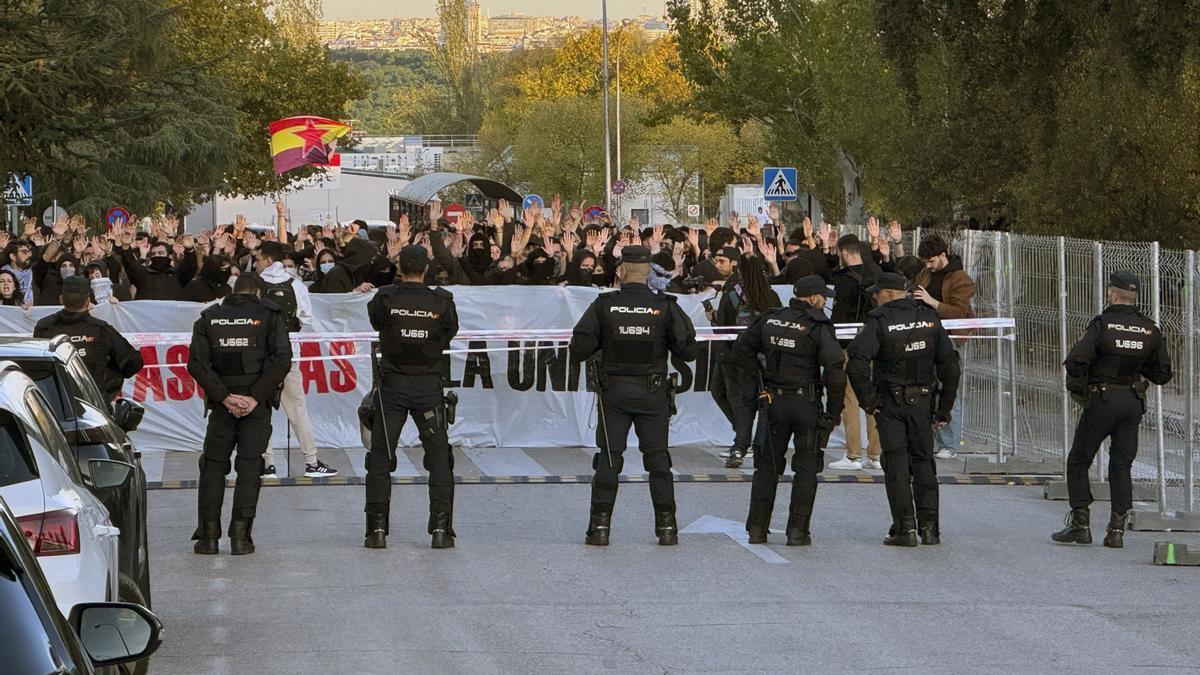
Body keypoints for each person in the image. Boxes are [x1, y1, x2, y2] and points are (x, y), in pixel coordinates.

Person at [569, 245, 698, 546]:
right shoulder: (665, 306)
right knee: (658, 461)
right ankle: (667, 528)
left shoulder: (605, 304)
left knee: (609, 459)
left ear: (621, 271)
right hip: (652, 393)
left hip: (614, 393)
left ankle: (599, 528)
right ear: (649, 272)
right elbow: (688, 350)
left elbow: (579, 348)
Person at [1052, 272, 1172, 548]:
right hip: (1132, 401)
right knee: (1121, 464)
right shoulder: (1149, 329)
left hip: (1102, 400)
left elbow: (1076, 361)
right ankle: (1116, 530)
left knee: (1079, 459)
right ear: (1135, 297)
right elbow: (1163, 374)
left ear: (1112, 294)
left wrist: (1084, 388)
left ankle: (1081, 524)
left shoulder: (1102, 325)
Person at [846, 272, 960, 546]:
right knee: (923, 462)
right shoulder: (929, 318)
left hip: (891, 402)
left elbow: (856, 362)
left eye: (877, 293)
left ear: (887, 294)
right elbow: (950, 366)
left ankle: (904, 529)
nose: (874, 297)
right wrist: (944, 408)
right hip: (922, 401)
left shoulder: (879, 320)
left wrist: (868, 401)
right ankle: (930, 529)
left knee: (896, 463)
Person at [731, 275, 845, 545]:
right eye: (823, 297)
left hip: (773, 402)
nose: (825, 301)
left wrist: (762, 380)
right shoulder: (817, 326)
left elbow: (740, 351)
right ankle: (797, 531)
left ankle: (757, 529)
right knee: (806, 468)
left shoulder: (770, 318)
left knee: (766, 467)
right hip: (806, 404)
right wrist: (833, 413)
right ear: (813, 298)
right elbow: (835, 371)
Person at [186, 274, 292, 556]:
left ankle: (208, 538)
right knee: (250, 468)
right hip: (256, 406)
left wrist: (224, 396)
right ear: (257, 293)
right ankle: (241, 539)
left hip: (223, 405)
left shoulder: (209, 317)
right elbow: (282, 359)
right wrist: (255, 396)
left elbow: (196, 363)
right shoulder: (270, 315)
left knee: (213, 466)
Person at [363, 245, 459, 550]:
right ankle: (440, 530)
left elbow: (376, 322)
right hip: (427, 386)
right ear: (427, 269)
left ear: (399, 267)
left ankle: (376, 531)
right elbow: (449, 333)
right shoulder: (441, 301)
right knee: (439, 459)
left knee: (380, 457)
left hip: (393, 385)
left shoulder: (385, 298)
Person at [253, 243, 337, 478]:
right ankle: (311, 462)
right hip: (289, 355)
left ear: (268, 260)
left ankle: (267, 463)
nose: (255, 263)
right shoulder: (296, 285)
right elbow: (305, 318)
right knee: (298, 409)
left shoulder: (255, 284)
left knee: (262, 411)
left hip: (260, 357)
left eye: (258, 259)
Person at [708, 255, 781, 468]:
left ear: (739, 270)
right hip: (765, 359)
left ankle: (739, 447)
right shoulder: (771, 295)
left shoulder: (732, 295)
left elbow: (723, 330)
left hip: (738, 359)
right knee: (764, 403)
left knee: (743, 405)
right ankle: (758, 448)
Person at [914, 235, 976, 459]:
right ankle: (927, 438)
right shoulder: (925, 273)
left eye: (931, 261)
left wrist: (932, 302)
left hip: (949, 339)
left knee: (949, 390)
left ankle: (949, 444)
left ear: (942, 255)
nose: (929, 266)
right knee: (924, 387)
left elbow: (959, 312)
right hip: (925, 335)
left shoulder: (961, 279)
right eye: (925, 262)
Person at [33, 276, 144, 400]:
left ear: (61, 299)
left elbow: (36, 367)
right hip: (94, 404)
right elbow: (134, 362)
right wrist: (110, 383)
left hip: (55, 404)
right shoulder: (100, 329)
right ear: (88, 301)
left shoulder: (44, 327)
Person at [828, 234, 884, 471]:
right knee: (872, 397)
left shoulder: (844, 280)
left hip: (848, 346)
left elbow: (839, 315)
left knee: (849, 400)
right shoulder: (876, 275)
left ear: (843, 252)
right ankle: (876, 454)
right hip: (874, 345)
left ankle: (853, 455)